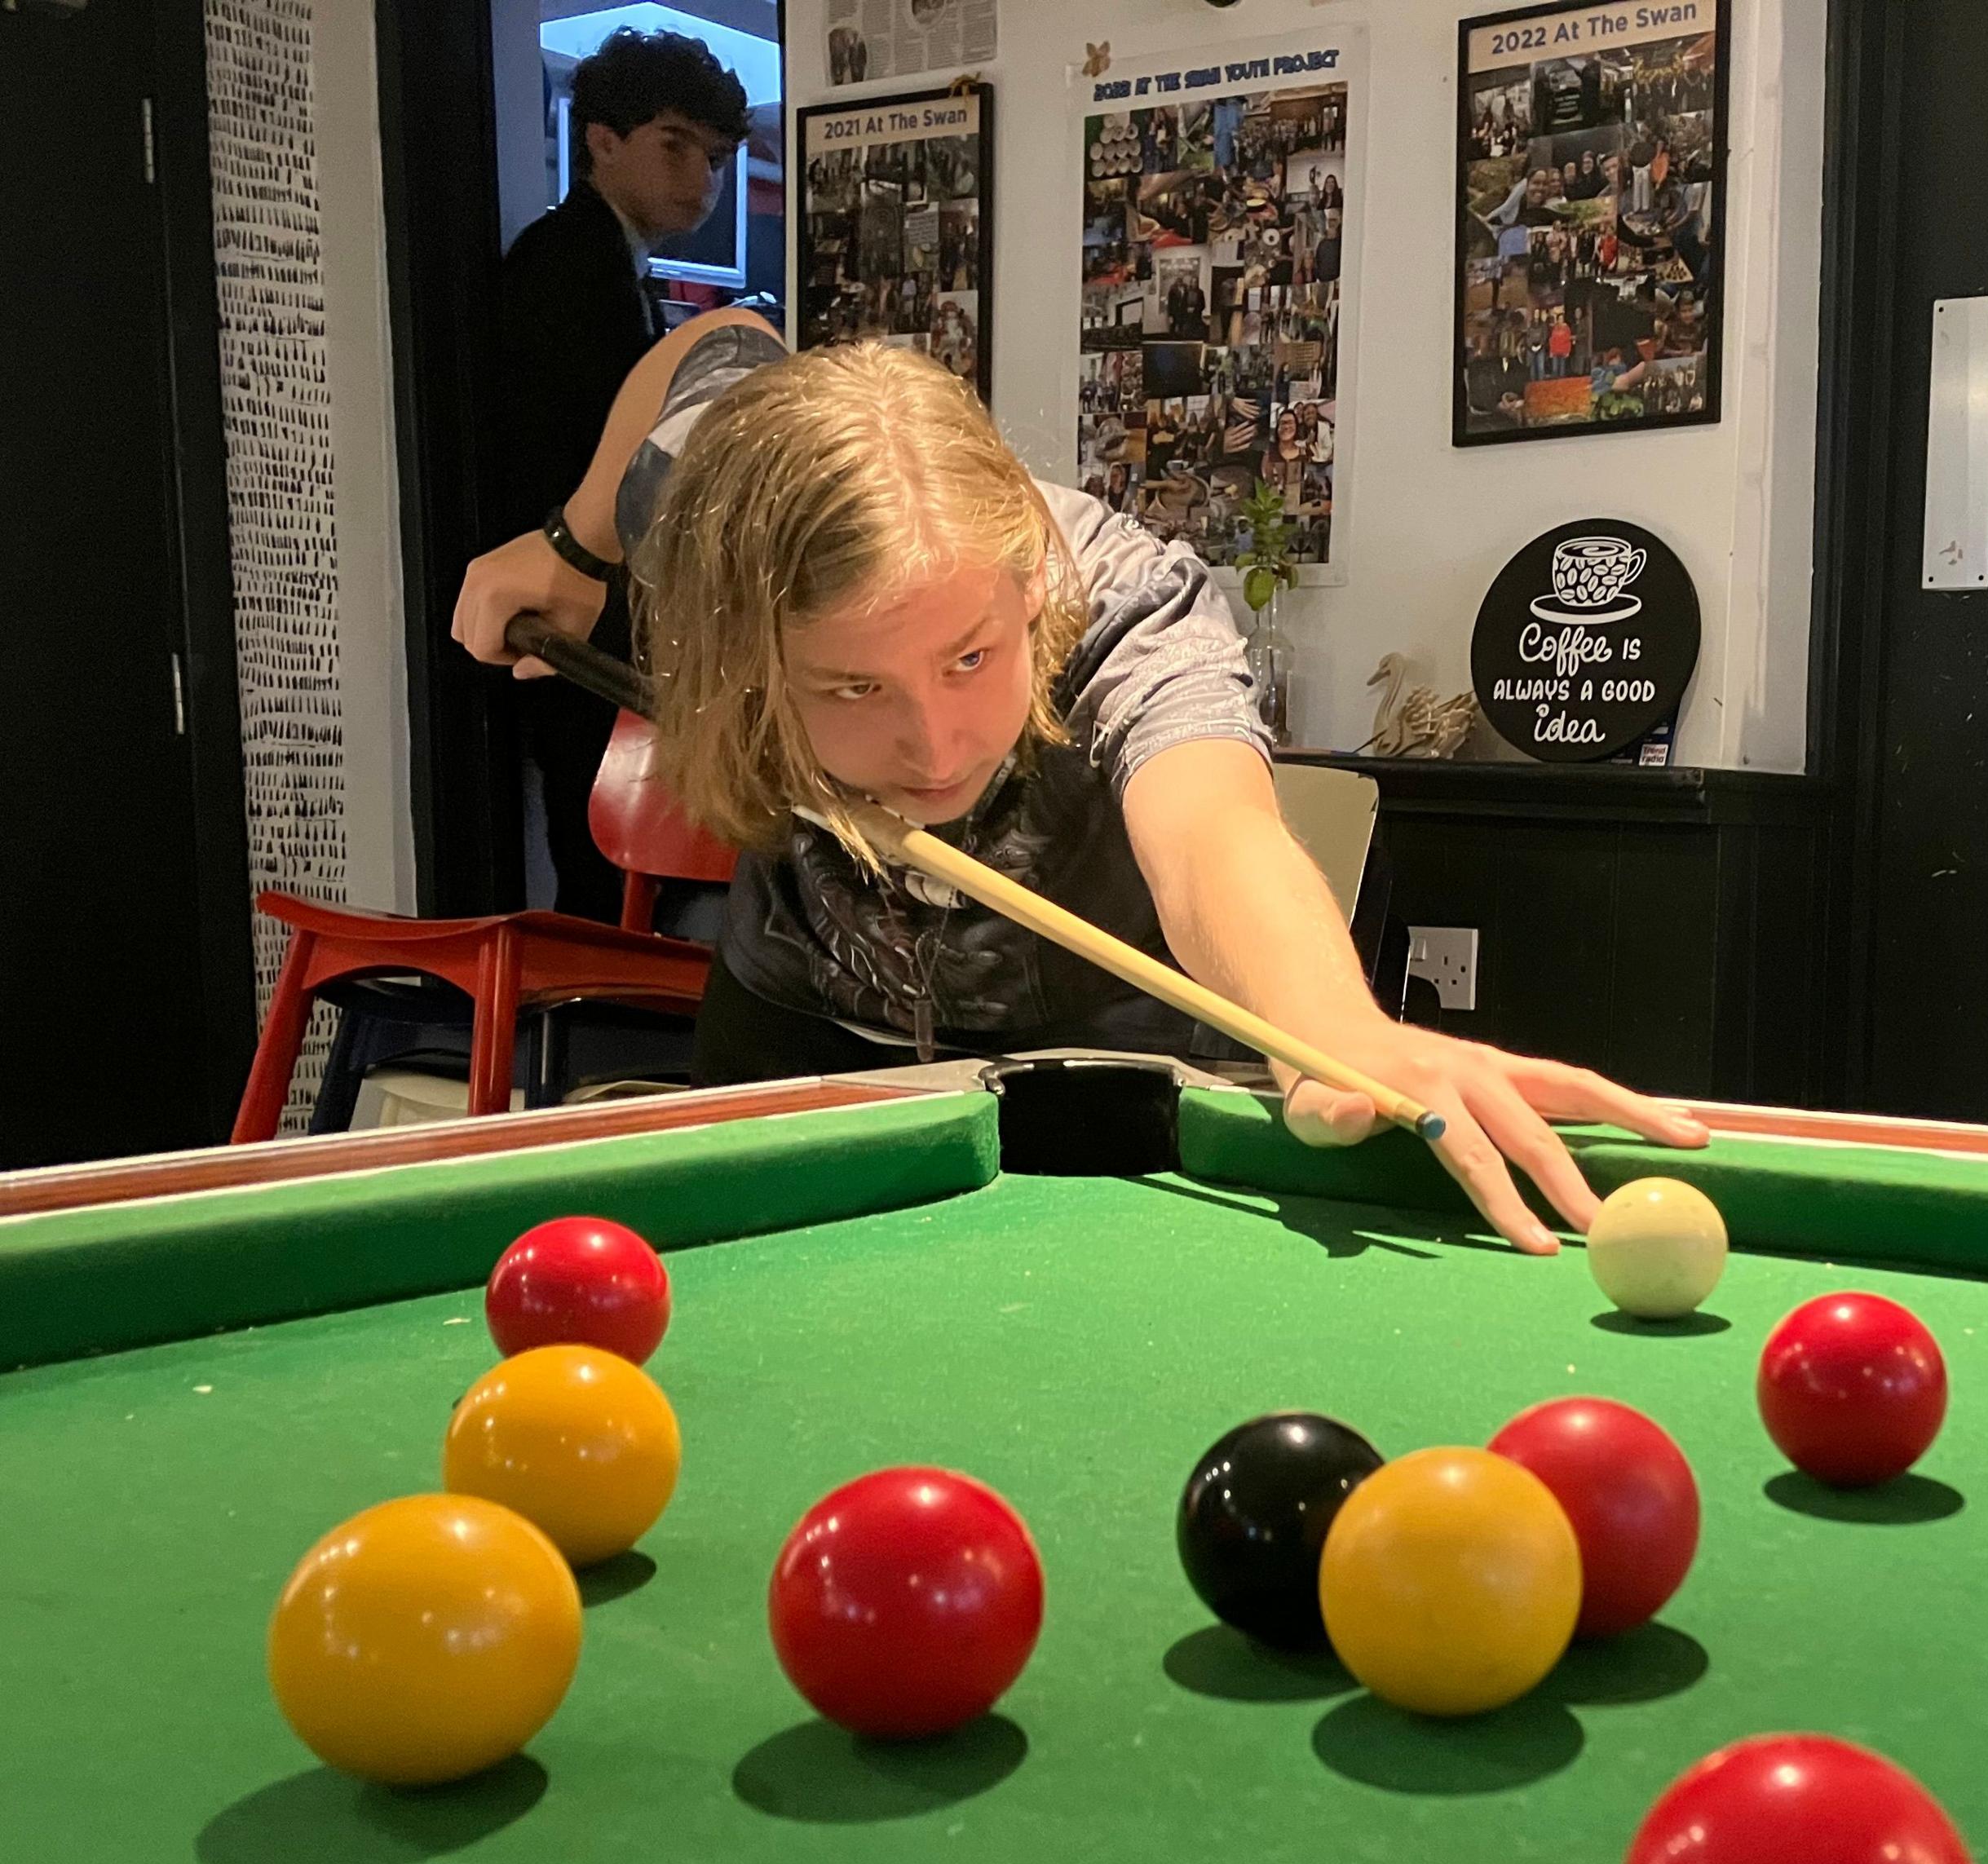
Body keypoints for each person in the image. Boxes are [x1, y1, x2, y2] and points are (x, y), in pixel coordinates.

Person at [451, 316, 1703, 1248]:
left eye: (970, 659)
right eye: (852, 690)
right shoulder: (701, 519)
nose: (937, 748)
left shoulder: (1126, 602)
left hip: (1104, 1054)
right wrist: (568, 544)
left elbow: (1216, 836)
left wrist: (1340, 1034)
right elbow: (720, 341)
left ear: (1030, 590)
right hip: (803, 1009)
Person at [496, 29, 746, 921]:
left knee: (611, 862)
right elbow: (583, 450)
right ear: (602, 139)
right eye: (674, 145)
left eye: (714, 159)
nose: (702, 180)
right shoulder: (570, 263)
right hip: (578, 602)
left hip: (601, 606)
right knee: (603, 866)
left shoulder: (614, 264)